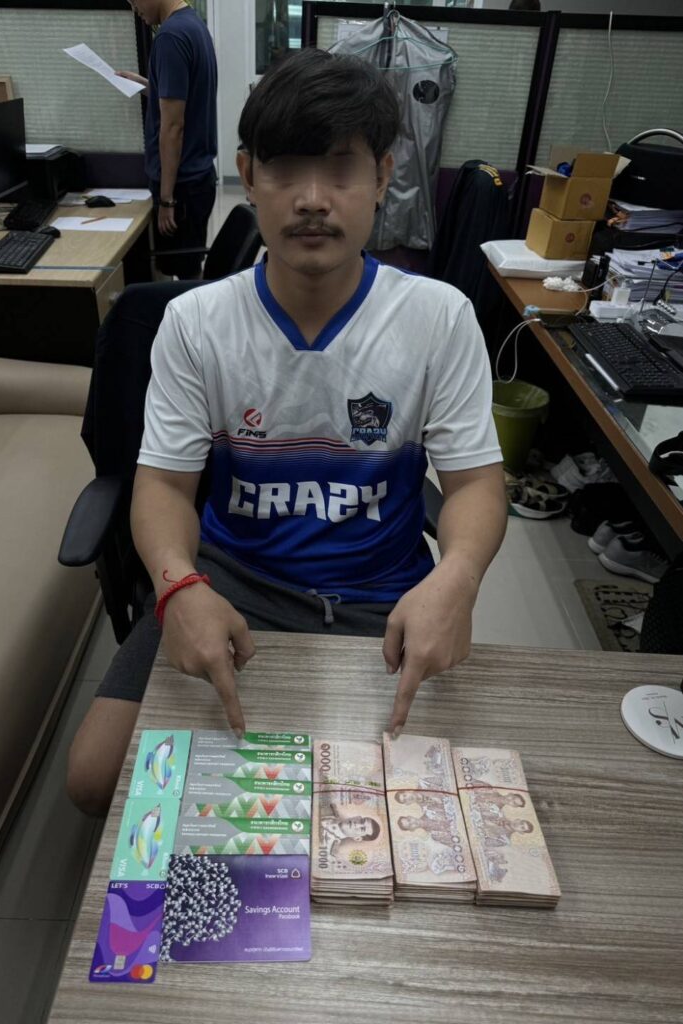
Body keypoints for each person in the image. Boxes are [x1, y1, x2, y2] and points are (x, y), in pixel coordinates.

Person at [67, 48, 507, 816]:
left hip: (382, 595)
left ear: (383, 175)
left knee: (397, 804)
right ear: (247, 174)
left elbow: (472, 483)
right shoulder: (196, 323)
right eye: (284, 171)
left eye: (340, 170)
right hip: (232, 583)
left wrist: (458, 577)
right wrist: (176, 586)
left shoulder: (437, 318)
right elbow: (162, 484)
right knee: (97, 777)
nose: (311, 199)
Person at [119, 0, 217, 277]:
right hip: (198, 178)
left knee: (183, 275)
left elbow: (173, 127)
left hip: (180, 188)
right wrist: (148, 85)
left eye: (134, 0)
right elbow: (187, 97)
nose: (134, 9)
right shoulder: (193, 25)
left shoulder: (170, 37)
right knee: (188, 268)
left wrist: (166, 199)